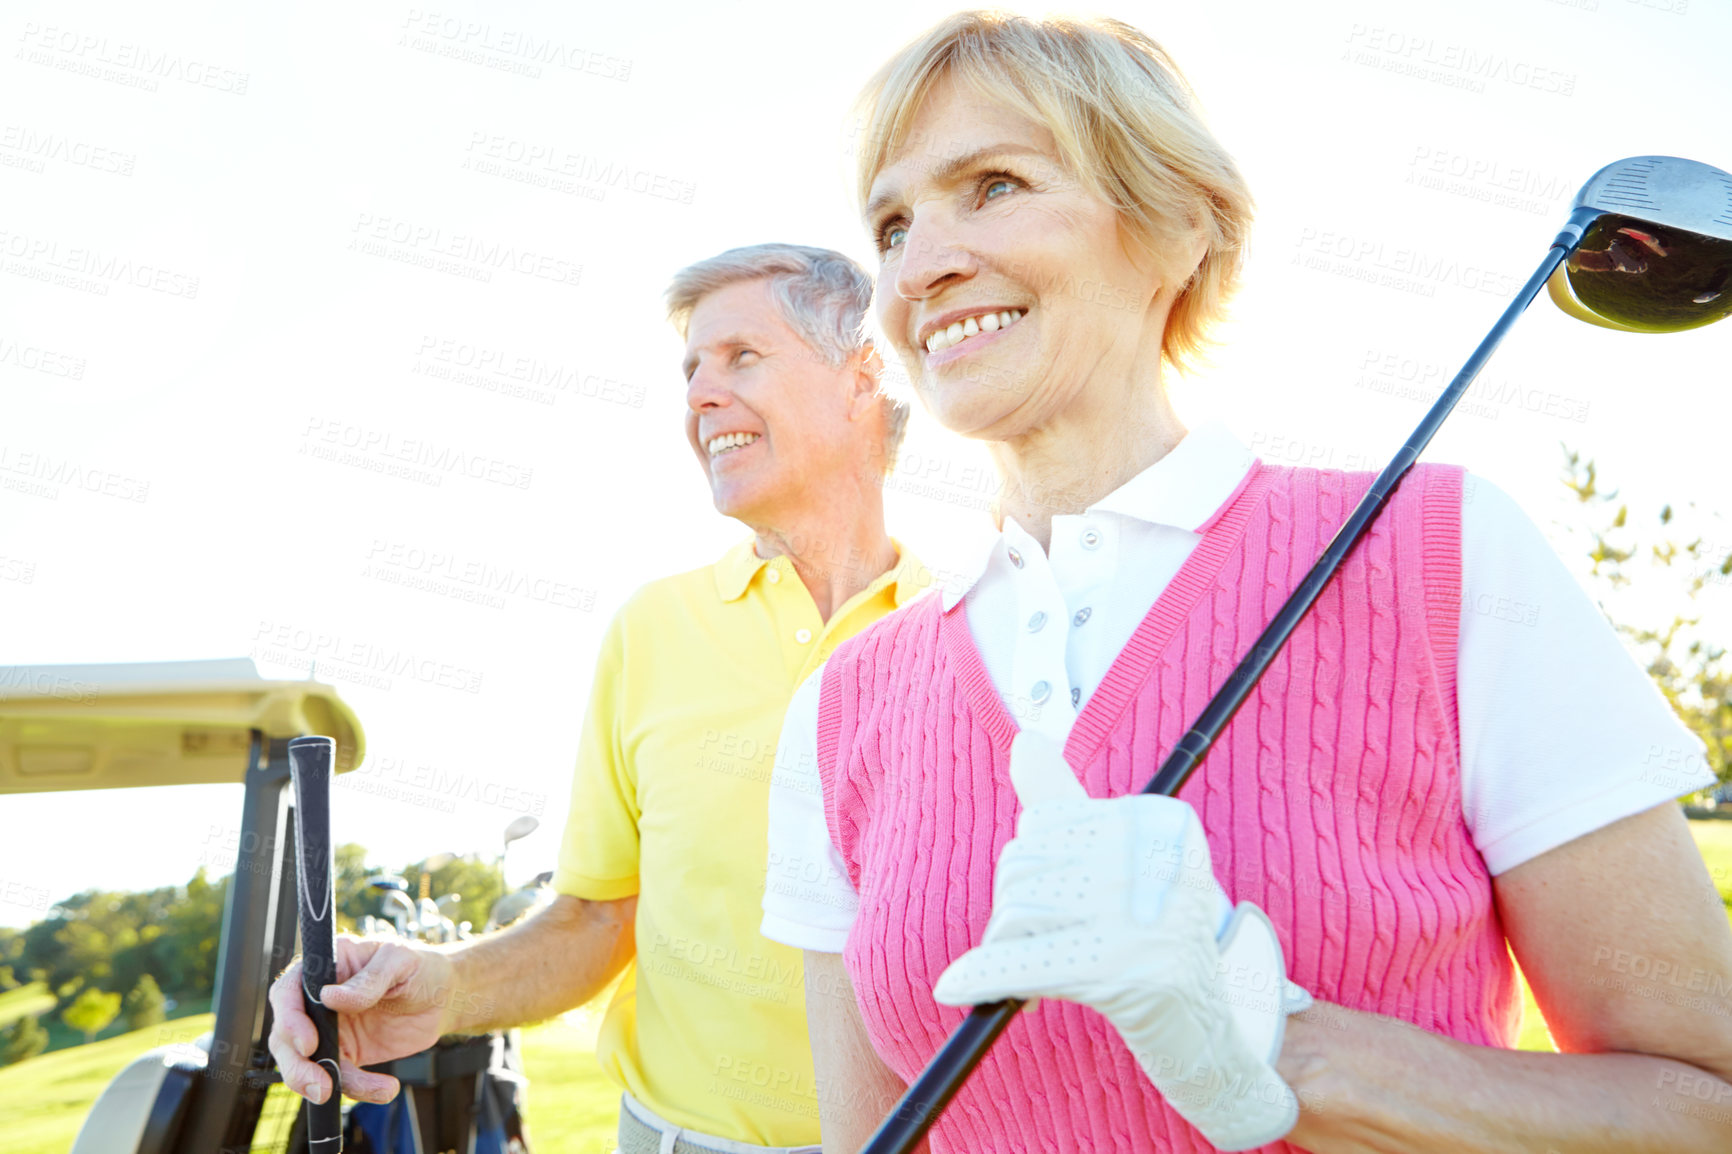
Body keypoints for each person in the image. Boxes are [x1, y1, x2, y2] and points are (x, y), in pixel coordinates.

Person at [760, 12, 1732, 1153]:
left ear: (1177, 226)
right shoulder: (841, 707)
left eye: (994, 185)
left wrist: (1282, 1042)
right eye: (891, 223)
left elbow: (1698, 1102)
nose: (920, 267)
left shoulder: (1441, 554)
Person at [269, 243, 927, 1153]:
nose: (700, 395)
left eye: (742, 358)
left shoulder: (967, 627)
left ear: (862, 381)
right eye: (691, 369)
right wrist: (440, 986)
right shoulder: (652, 630)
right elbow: (598, 917)